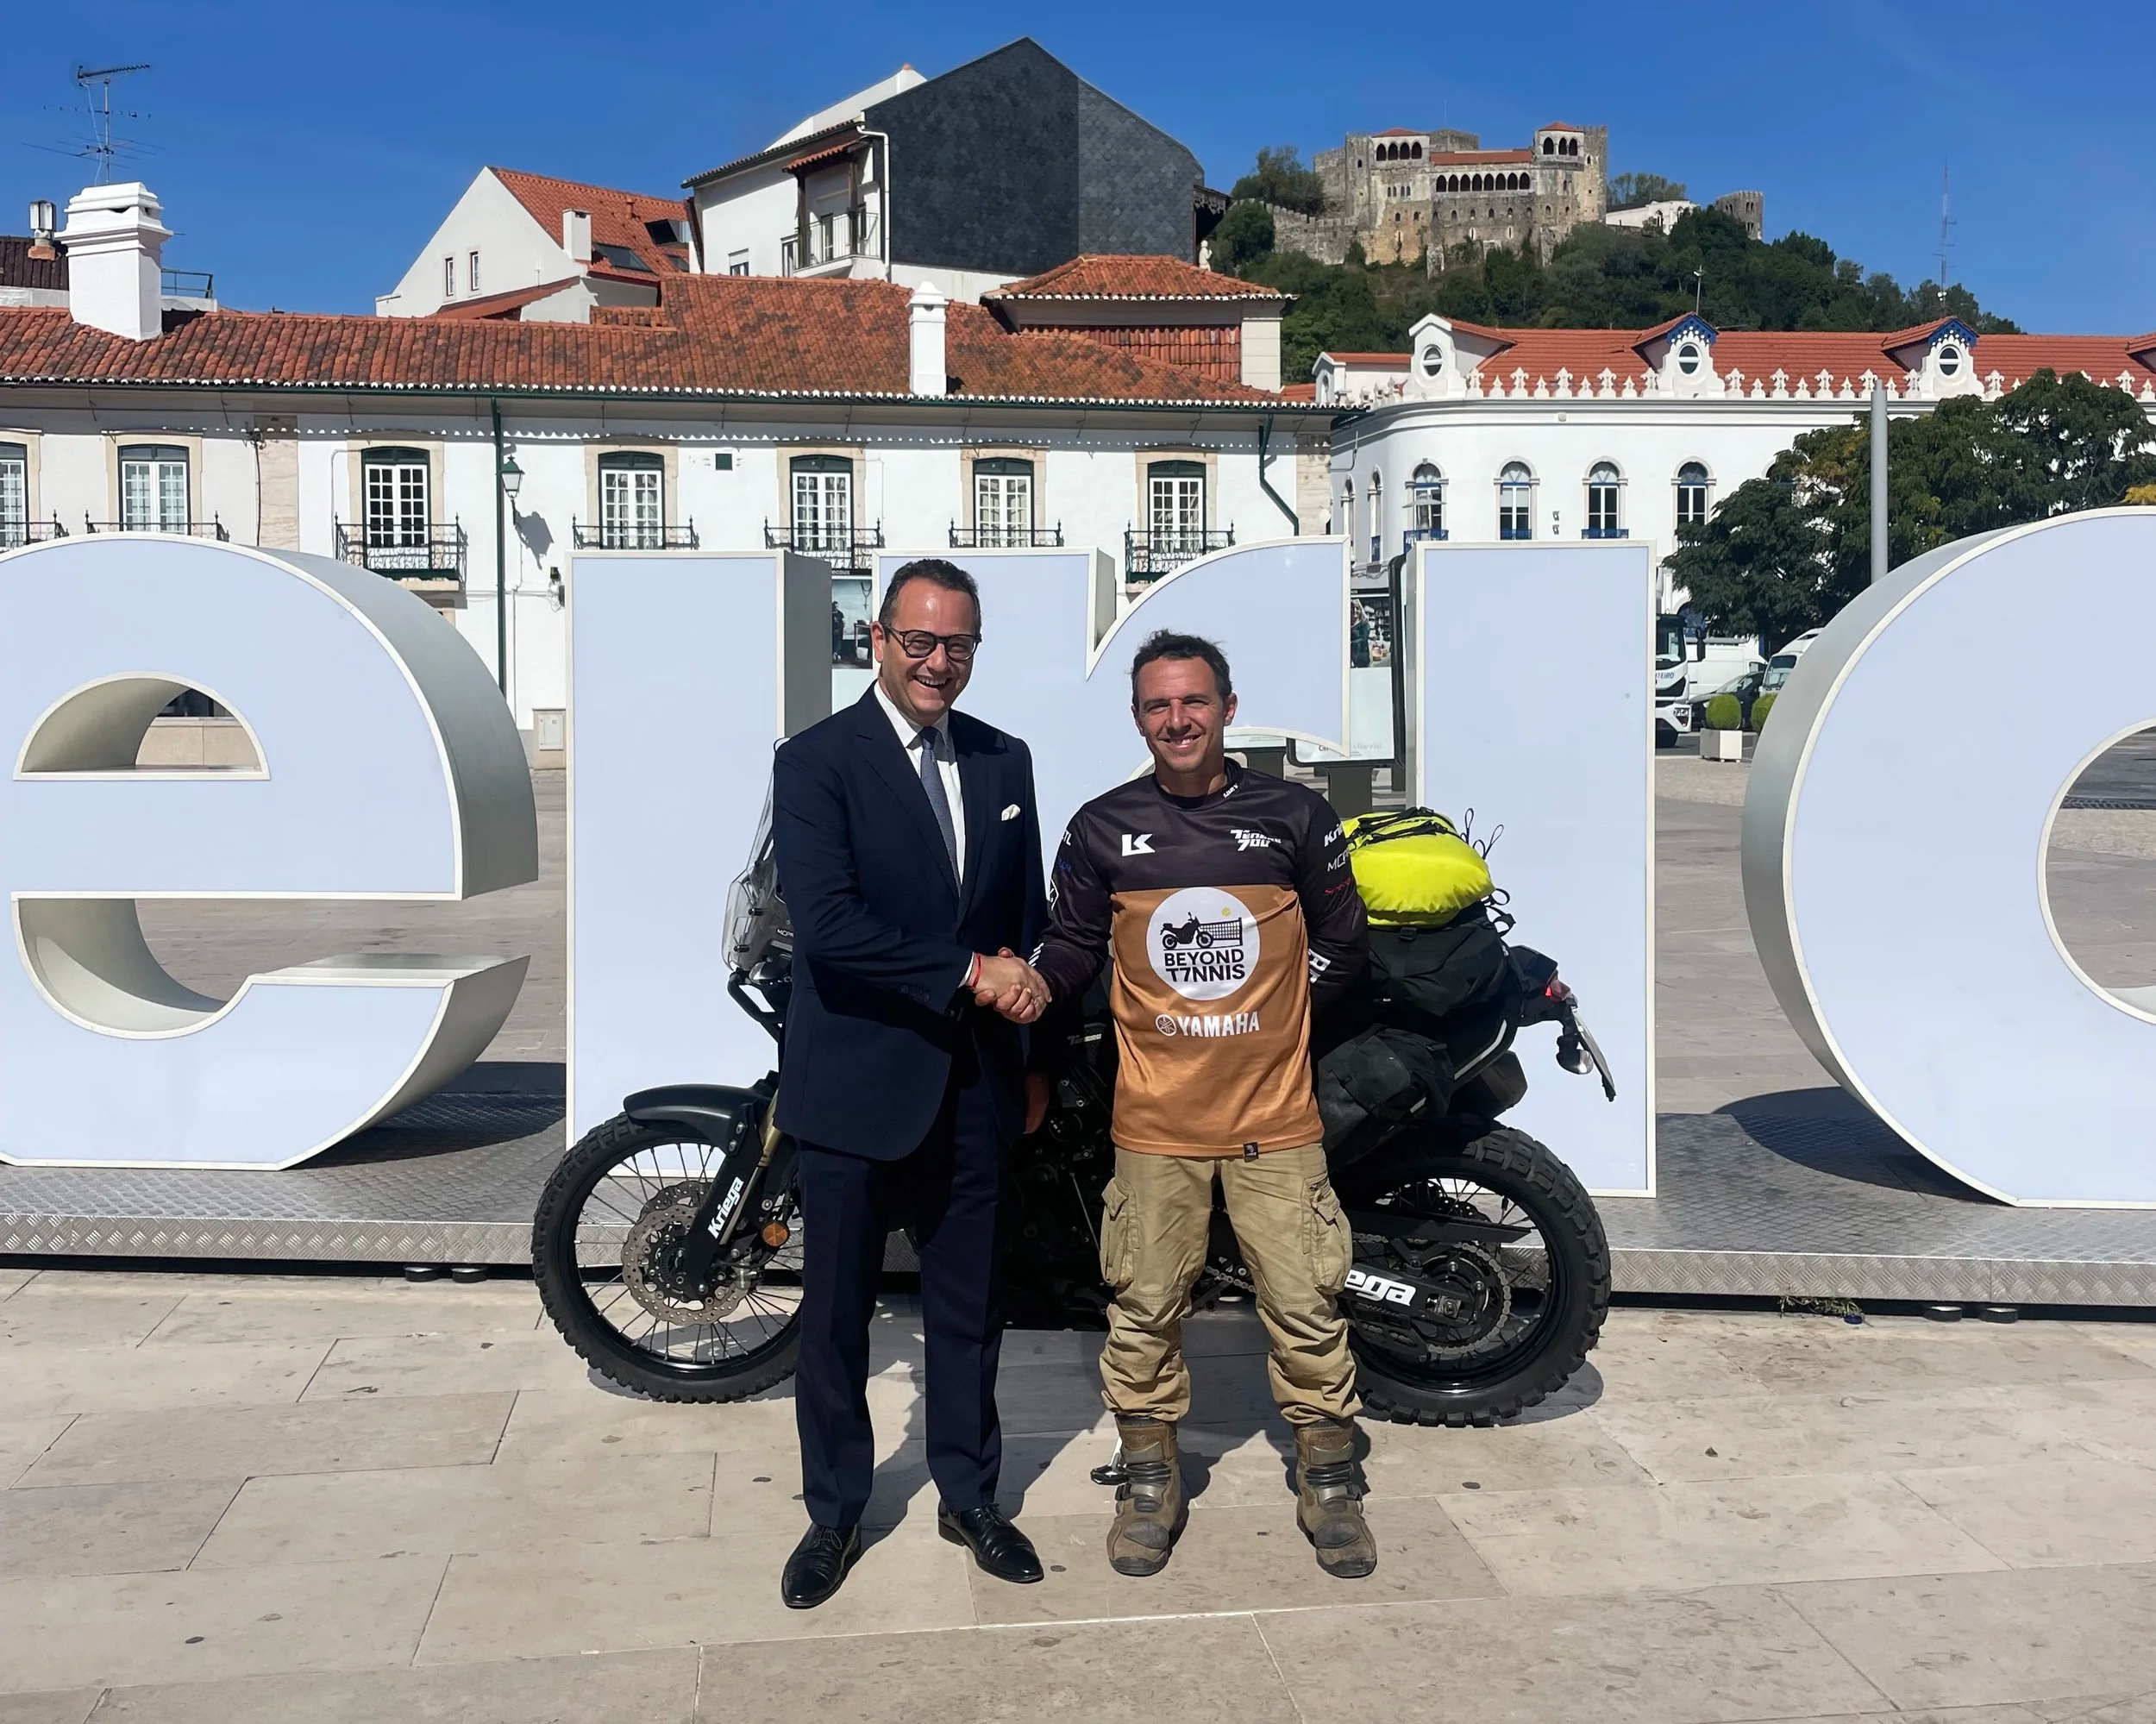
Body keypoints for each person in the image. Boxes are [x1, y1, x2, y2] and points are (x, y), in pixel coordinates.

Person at [1030, 630, 1376, 1580]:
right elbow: (1072, 945)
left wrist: (1273, 1021)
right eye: (1158, 705)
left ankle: (1329, 1480)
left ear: (1227, 707)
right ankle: (1150, 1481)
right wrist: (1031, 985)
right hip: (1154, 1125)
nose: (1177, 719)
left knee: (1305, 1307)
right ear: (1137, 717)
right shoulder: (1101, 828)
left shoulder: (1295, 814)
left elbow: (1343, 945)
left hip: (1276, 1121)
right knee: (1142, 1310)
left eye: (1193, 701)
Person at [768, 558, 1053, 1609]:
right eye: (921, 641)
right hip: (855, 1085)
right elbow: (829, 927)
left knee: (970, 1310)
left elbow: (1023, 922)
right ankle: (836, 1512)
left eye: (958, 644)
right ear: (878, 640)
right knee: (836, 1318)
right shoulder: (815, 762)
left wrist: (1032, 1062)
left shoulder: (1004, 758)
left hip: (975, 1087)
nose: (940, 662)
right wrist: (970, 972)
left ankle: (969, 1495)